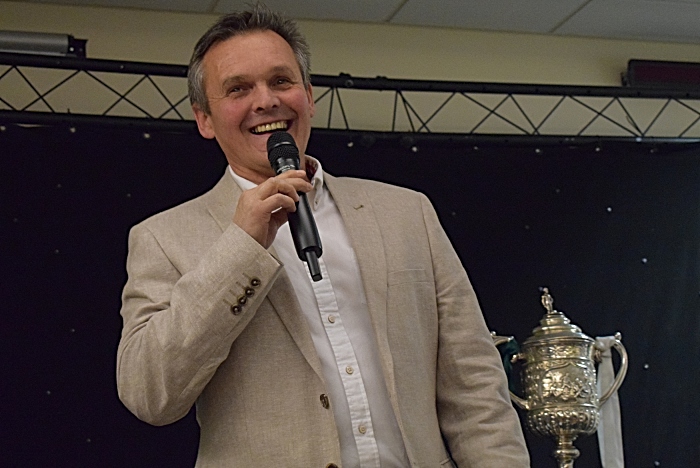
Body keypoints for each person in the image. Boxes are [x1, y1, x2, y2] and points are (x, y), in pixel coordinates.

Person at [116, 4, 530, 467]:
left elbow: (475, 384)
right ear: (205, 119)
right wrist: (241, 247)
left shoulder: (406, 212)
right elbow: (150, 394)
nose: (265, 100)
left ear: (309, 96)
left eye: (281, 81)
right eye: (238, 88)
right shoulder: (163, 238)